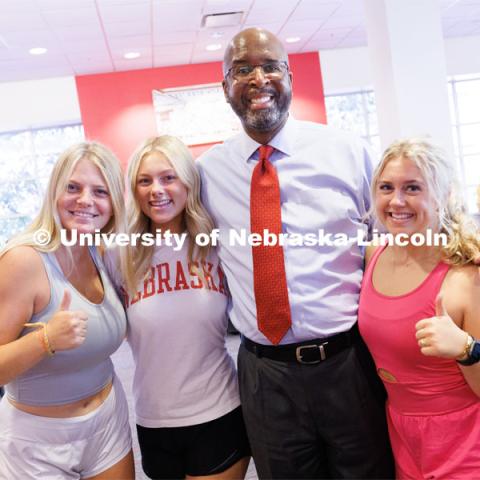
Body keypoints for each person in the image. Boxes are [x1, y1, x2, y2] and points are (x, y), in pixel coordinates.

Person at [197, 27, 394, 479]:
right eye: (241, 70)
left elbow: (395, 232)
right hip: (266, 374)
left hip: (348, 364)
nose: (257, 78)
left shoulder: (346, 152)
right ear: (225, 87)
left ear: (290, 75)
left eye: (270, 66)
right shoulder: (206, 173)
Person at [105, 135, 250, 480]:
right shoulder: (118, 254)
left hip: (219, 411)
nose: (156, 189)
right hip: (153, 419)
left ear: (188, 181)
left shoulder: (217, 245)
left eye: (168, 177)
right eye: (145, 180)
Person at [0, 142, 134, 479]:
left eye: (100, 191)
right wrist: (45, 339)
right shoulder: (23, 260)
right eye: (73, 187)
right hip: (37, 440)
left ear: (113, 203)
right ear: (54, 192)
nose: (86, 200)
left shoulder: (100, 251)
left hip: (108, 422)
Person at [358, 138, 480, 478]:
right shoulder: (374, 254)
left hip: (465, 441)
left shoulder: (466, 276)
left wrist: (466, 349)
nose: (396, 201)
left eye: (412, 188)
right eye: (386, 187)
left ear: (443, 197)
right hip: (402, 433)